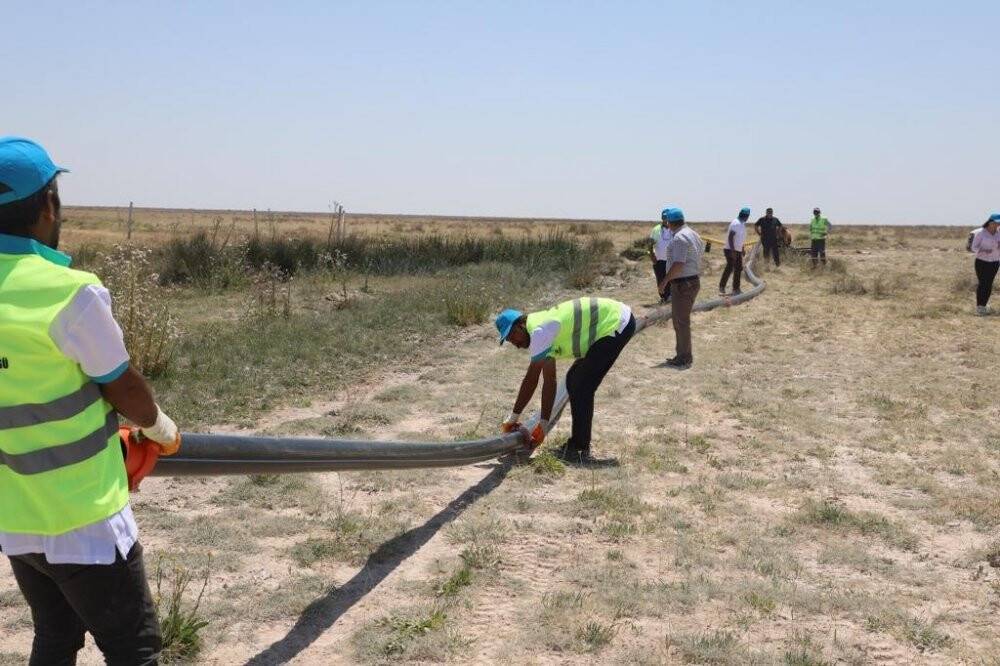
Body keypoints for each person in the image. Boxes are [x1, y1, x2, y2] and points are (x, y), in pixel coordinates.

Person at [0, 137, 181, 665]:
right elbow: (121, 386)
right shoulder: (68, 292)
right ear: (47, 207)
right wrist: (160, 429)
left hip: (16, 517)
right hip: (83, 519)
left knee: (55, 638)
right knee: (134, 646)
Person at [495, 297, 635, 464]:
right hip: (614, 323)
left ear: (520, 325)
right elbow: (549, 380)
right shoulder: (538, 331)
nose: (515, 344)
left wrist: (512, 418)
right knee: (573, 380)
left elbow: (531, 380)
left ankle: (579, 449)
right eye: (510, 341)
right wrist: (544, 424)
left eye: (512, 337)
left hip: (615, 323)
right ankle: (578, 445)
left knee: (581, 385)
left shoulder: (539, 331)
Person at [657, 208, 703, 369]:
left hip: (683, 284)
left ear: (669, 222)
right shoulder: (693, 233)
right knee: (680, 320)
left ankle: (684, 357)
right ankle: (683, 355)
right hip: (690, 281)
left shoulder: (679, 238)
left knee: (681, 321)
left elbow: (678, 264)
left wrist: (664, 282)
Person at [971, 213, 1000, 315]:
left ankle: (984, 305)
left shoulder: (998, 234)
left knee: (989, 284)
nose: (998, 225)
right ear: (990, 222)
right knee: (983, 283)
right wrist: (983, 250)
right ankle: (979, 307)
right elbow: (973, 247)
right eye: (997, 223)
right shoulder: (981, 233)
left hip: (995, 262)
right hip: (981, 262)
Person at [720, 206, 749, 295]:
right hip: (730, 249)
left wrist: (742, 248)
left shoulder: (742, 224)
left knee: (738, 268)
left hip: (737, 250)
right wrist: (733, 251)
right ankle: (722, 286)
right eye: (747, 216)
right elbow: (730, 237)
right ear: (746, 216)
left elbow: (740, 238)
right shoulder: (736, 223)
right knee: (730, 267)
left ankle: (736, 289)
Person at [649, 209, 674, 303]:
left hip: (671, 260)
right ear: (662, 218)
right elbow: (650, 245)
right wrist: (652, 257)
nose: (666, 219)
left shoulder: (674, 229)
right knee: (660, 279)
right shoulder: (656, 229)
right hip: (659, 260)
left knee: (671, 279)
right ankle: (664, 297)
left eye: (668, 217)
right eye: (664, 217)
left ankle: (671, 297)